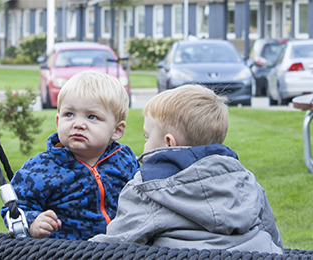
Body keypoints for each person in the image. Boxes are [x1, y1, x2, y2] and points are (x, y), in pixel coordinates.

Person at [89, 85, 283, 253]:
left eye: (147, 137)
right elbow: (270, 231)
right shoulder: (245, 179)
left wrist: (71, 250)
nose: (145, 145)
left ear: (169, 143)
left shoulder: (149, 187)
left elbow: (117, 244)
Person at [0, 70, 139, 240]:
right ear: (58, 121)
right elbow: (14, 208)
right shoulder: (41, 168)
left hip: (121, 248)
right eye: (69, 114)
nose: (78, 124)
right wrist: (33, 222)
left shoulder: (124, 160)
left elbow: (144, 195)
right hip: (65, 251)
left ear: (117, 130)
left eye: (92, 117)